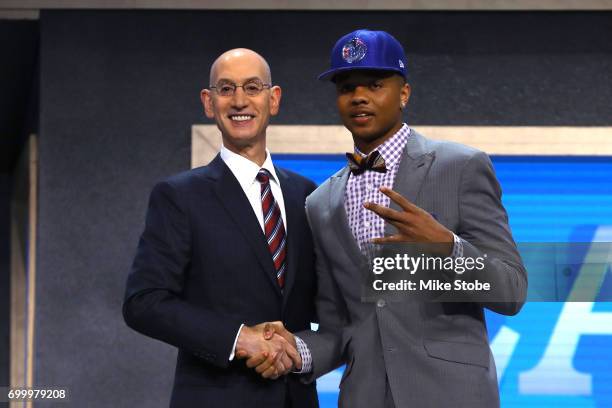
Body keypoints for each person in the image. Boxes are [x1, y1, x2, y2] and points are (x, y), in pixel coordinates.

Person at [256, 29, 527, 407]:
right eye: (346, 87)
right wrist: (294, 351)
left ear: (404, 93)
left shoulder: (461, 167)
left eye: (375, 83)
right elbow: (339, 328)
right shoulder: (321, 203)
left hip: (451, 394)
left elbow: (512, 291)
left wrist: (448, 249)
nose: (359, 96)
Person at [123, 48, 318, 408]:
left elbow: (330, 307)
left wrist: (299, 352)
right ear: (209, 102)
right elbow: (143, 302)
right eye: (226, 89)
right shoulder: (179, 196)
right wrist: (240, 339)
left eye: (252, 87)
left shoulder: (309, 197)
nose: (239, 100)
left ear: (273, 99)